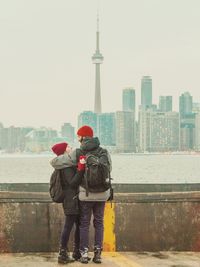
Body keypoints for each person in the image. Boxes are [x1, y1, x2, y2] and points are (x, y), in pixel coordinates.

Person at [51, 126, 112, 264]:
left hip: (86, 194)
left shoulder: (78, 152)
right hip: (103, 194)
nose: (77, 139)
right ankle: (97, 254)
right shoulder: (104, 152)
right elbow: (110, 169)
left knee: (84, 223)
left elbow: (56, 162)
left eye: (79, 136)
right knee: (99, 223)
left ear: (82, 137)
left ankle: (84, 253)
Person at [51, 142, 85, 264]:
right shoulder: (66, 167)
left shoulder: (64, 164)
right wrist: (81, 169)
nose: (71, 148)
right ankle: (63, 253)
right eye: (68, 147)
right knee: (69, 226)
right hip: (71, 200)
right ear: (64, 151)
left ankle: (76, 252)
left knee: (77, 225)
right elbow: (72, 183)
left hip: (72, 199)